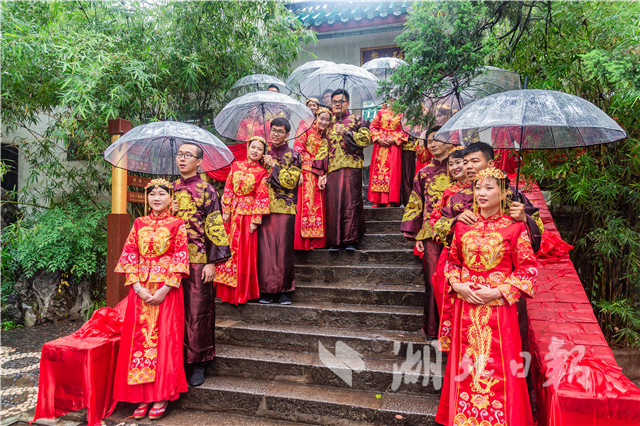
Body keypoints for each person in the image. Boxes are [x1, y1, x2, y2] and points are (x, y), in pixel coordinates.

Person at [435, 167, 536, 426]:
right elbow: (452, 263)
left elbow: (527, 268)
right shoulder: (462, 226)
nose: (481, 192)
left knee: (499, 366)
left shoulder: (515, 228)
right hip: (465, 306)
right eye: (478, 187)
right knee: (465, 365)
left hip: (499, 308)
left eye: (489, 187)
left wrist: (500, 290)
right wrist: (457, 285)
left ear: (504, 194)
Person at [113, 179, 190, 421]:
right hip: (141, 291)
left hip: (167, 290)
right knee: (139, 341)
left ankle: (161, 395)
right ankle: (143, 395)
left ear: (171, 198)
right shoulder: (138, 223)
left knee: (165, 340)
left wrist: (165, 289)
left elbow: (180, 259)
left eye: (162, 194)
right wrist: (137, 286)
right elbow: (129, 255)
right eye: (152, 194)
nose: (156, 198)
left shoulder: (178, 225)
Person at [172, 143, 231, 387]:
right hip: (170, 262)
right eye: (179, 154)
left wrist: (212, 262)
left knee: (197, 312)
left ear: (199, 161)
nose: (182, 159)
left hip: (198, 260)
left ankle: (198, 362)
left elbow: (215, 225)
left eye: (188, 155)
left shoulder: (207, 190)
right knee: (172, 313)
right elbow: (151, 222)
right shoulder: (169, 189)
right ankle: (175, 360)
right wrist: (168, 210)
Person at [400, 126, 452, 338]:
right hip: (430, 233)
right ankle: (433, 329)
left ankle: (454, 329)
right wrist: (417, 235)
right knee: (432, 280)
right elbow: (415, 204)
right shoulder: (423, 173)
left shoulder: (459, 169)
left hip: (457, 232)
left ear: (449, 142)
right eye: (430, 140)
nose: (433, 144)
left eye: (438, 139)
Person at [313, 89, 371, 251]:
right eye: (334, 102)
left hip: (352, 167)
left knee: (351, 203)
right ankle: (336, 240)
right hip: (332, 170)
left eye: (341, 101)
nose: (337, 104)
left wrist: (345, 132)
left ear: (348, 103)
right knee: (334, 204)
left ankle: (351, 239)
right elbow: (323, 149)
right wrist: (321, 173)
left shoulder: (358, 120)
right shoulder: (329, 124)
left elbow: (366, 139)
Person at [215, 137, 270, 305]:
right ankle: (227, 292)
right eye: (253, 147)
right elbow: (228, 188)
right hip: (232, 215)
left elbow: (262, 196)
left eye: (259, 149)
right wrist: (225, 210)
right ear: (247, 147)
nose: (255, 151)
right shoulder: (236, 166)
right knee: (228, 251)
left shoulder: (262, 172)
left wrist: (255, 219)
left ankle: (242, 292)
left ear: (263, 154)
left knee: (244, 253)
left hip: (247, 216)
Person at [428, 146, 471, 350]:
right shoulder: (449, 191)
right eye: (451, 163)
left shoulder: (486, 189)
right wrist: (455, 220)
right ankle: (451, 338)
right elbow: (436, 219)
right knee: (444, 288)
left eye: (459, 162)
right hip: (451, 250)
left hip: (475, 252)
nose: (454, 167)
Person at [258, 117, 302, 304]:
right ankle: (266, 290)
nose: (276, 134)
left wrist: (273, 165)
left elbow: (292, 182)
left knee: (283, 248)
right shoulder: (260, 152)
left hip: (284, 206)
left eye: (280, 131)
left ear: (287, 134)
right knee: (265, 250)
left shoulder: (294, 155)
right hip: (262, 207)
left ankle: (284, 290)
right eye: (273, 130)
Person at [294, 107, 331, 250]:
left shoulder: (327, 135)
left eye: (327, 120)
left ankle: (317, 241)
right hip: (306, 171)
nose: (324, 122)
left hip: (321, 174)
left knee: (319, 206)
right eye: (321, 119)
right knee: (307, 204)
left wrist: (324, 172)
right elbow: (297, 150)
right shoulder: (305, 128)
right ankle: (305, 241)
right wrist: (299, 172)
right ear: (315, 118)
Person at [367, 101, 407, 207]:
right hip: (380, 144)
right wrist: (378, 139)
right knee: (378, 170)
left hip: (394, 146)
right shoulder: (381, 112)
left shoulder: (402, 114)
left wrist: (394, 139)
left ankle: (390, 200)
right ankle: (377, 199)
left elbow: (405, 130)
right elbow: (373, 126)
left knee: (392, 171)